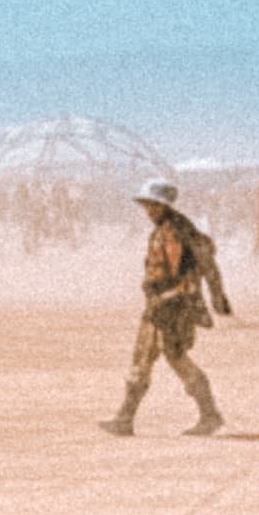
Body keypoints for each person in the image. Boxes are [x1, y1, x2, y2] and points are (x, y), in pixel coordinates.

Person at [105, 177, 231, 434]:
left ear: (163, 206)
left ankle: (126, 419)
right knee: (161, 356)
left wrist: (218, 296)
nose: (149, 211)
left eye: (153, 205)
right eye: (147, 205)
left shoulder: (178, 230)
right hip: (164, 302)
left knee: (159, 357)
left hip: (172, 304)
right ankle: (207, 415)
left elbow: (205, 263)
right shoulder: (169, 228)